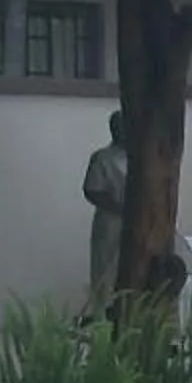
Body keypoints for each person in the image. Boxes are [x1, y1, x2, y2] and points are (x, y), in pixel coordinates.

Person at [82, 111, 130, 304]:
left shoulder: (141, 156)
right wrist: (119, 208)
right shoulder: (102, 158)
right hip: (111, 222)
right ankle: (104, 313)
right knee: (106, 273)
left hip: (138, 222)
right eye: (120, 127)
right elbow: (91, 190)